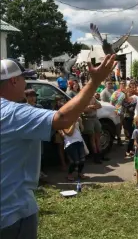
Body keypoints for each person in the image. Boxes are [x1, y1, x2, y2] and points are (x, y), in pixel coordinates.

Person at [0, 55, 116, 239]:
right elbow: (62, 119)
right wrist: (94, 82)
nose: (27, 84)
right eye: (24, 78)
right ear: (14, 80)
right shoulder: (13, 113)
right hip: (12, 213)